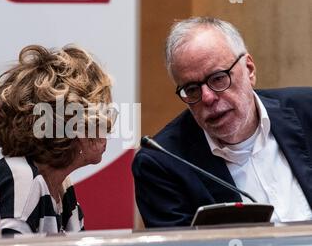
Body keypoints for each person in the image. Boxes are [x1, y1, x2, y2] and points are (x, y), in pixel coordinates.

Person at [133, 17, 312, 227]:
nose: (207, 97)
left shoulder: (307, 112)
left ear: (249, 69)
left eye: (218, 78)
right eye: (192, 89)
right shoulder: (163, 162)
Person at [0, 44, 115, 235]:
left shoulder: (61, 185)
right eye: (102, 116)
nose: (109, 126)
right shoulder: (22, 181)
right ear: (72, 126)